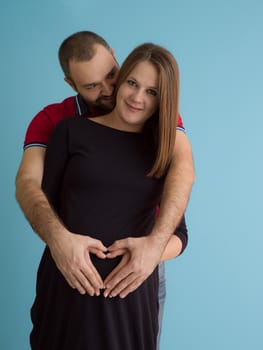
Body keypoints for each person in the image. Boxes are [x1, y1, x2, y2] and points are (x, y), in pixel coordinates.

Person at [15, 31, 194, 347]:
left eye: (113, 75)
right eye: (93, 86)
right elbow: (32, 187)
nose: (112, 90)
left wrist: (152, 251)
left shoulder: (160, 133)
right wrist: (60, 241)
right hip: (69, 282)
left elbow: (183, 180)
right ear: (72, 85)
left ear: (116, 58)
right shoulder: (61, 124)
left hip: (135, 288)